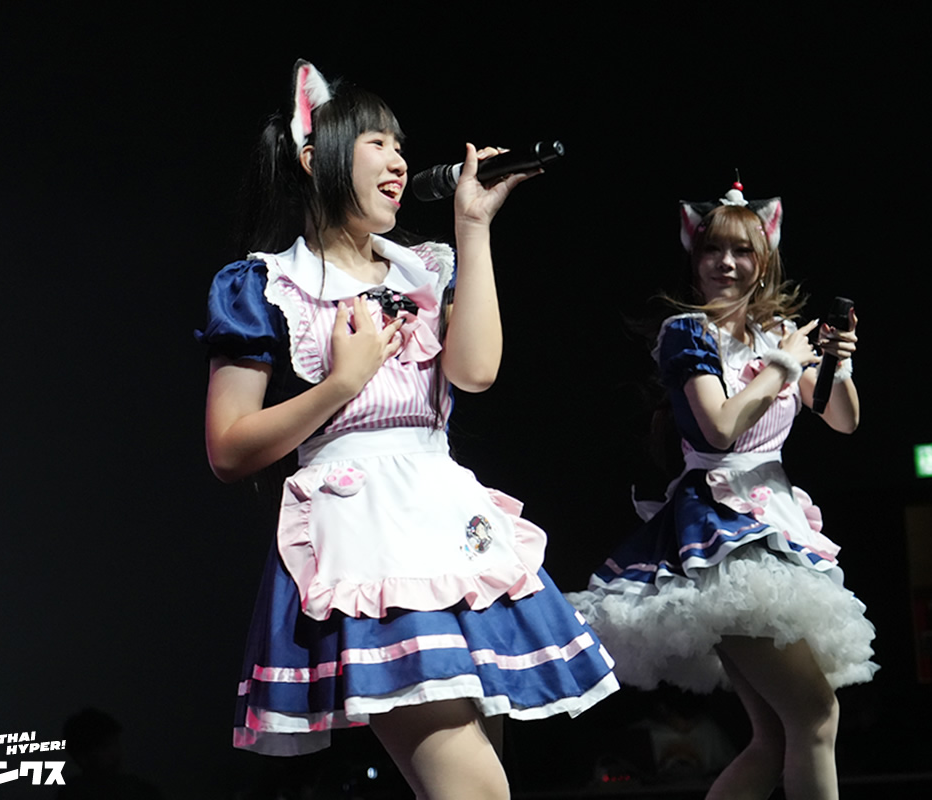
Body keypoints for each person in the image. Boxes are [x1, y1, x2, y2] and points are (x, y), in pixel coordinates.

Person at [200, 60, 618, 798]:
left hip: (447, 522)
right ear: (315, 159)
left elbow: (477, 371)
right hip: (365, 537)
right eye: (378, 144)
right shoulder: (263, 285)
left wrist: (473, 227)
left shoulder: (425, 269)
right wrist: (342, 383)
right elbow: (228, 448)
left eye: (401, 147)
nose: (399, 162)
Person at [566, 183, 877, 800]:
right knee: (815, 716)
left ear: (765, 260)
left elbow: (843, 420)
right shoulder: (687, 332)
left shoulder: (777, 335)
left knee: (777, 738)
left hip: (773, 522)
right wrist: (783, 366)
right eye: (713, 249)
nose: (726, 263)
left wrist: (835, 363)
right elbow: (720, 427)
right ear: (695, 256)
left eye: (742, 251)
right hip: (720, 531)